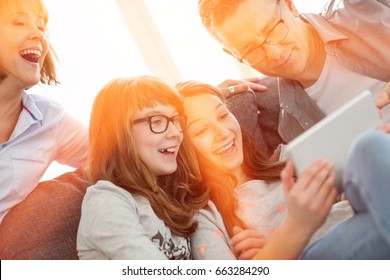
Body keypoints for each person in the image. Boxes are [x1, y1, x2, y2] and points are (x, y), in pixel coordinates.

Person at [176, 80, 390, 259]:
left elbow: (344, 198)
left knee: (367, 145)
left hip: (359, 220)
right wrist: (271, 254)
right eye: (202, 129)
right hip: (311, 256)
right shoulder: (206, 216)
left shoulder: (287, 158)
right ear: (184, 150)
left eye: (223, 115)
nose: (223, 132)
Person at [198, 0, 390, 135]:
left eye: (272, 29)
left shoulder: (368, 7)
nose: (274, 54)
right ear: (234, 56)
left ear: (290, 5)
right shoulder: (292, 127)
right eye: (251, 49)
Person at [76, 76, 208, 260]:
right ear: (119, 134)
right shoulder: (105, 201)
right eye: (157, 121)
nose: (176, 133)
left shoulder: (171, 192)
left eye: (175, 119)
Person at [0, 0, 88, 224]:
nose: (38, 34)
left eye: (41, 26)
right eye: (19, 22)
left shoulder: (49, 120)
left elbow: (117, 160)